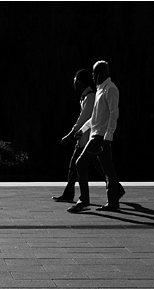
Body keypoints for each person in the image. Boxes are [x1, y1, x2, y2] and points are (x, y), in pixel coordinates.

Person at [68, 60, 126, 213]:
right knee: (108, 170)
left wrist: (108, 137)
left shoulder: (111, 90)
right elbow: (94, 117)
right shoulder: (100, 89)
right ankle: (113, 201)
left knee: (81, 163)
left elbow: (114, 115)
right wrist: (83, 129)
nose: (92, 77)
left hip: (100, 137)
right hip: (96, 134)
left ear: (100, 73)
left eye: (94, 74)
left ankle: (84, 201)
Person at [52, 69, 96, 203]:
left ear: (81, 82)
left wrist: (69, 135)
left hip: (88, 138)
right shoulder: (85, 97)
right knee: (84, 165)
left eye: (76, 81)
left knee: (77, 165)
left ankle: (73, 195)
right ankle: (69, 193)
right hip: (83, 138)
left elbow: (83, 119)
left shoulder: (90, 97)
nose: (74, 83)